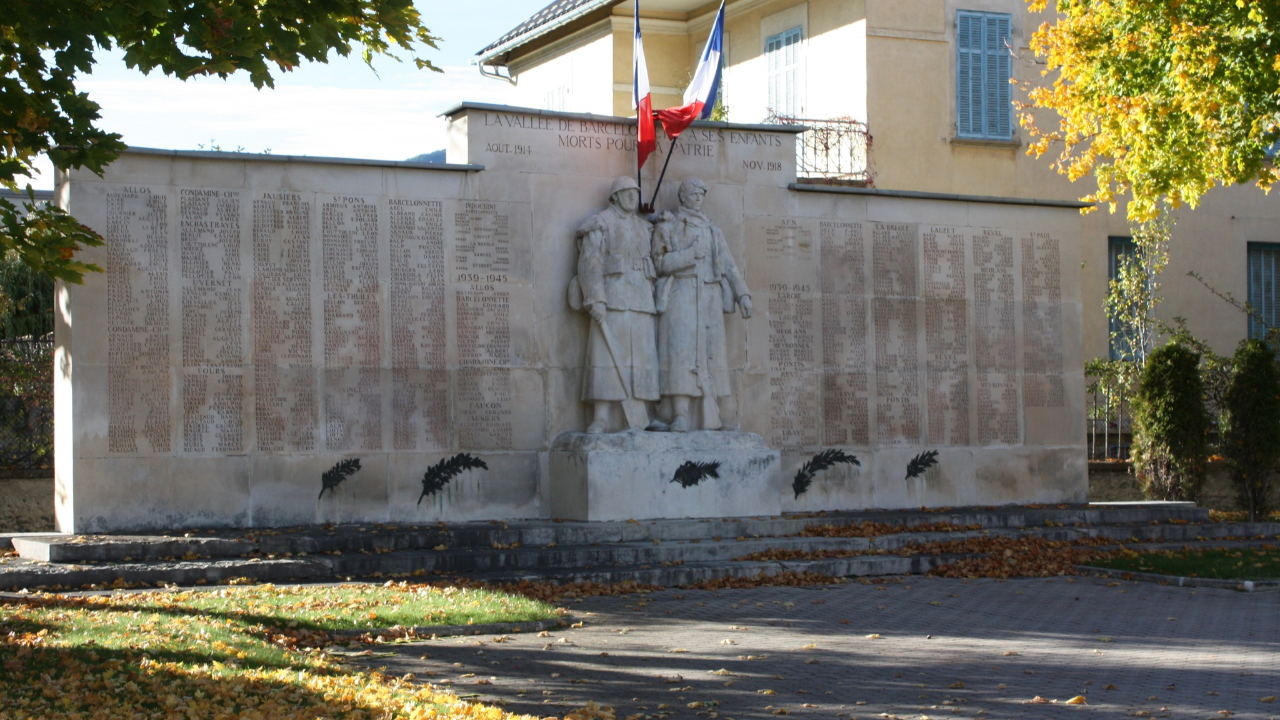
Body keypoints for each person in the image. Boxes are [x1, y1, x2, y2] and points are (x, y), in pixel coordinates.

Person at [652, 178, 752, 432]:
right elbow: (659, 263)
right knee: (679, 354)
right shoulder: (669, 225)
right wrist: (689, 255)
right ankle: (679, 414)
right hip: (681, 294)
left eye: (701, 194)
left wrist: (743, 295)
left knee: (711, 354)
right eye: (694, 194)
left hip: (710, 296)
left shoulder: (712, 229)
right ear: (683, 197)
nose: (698, 198)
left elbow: (729, 264)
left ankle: (711, 416)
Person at [574, 176, 660, 433]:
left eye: (635, 192)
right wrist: (596, 298)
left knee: (642, 356)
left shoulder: (644, 227)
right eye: (626, 192)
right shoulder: (600, 223)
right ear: (615, 197)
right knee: (605, 356)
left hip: (641, 298)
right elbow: (590, 263)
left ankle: (642, 411)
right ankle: (601, 416)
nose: (632, 197)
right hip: (613, 297)